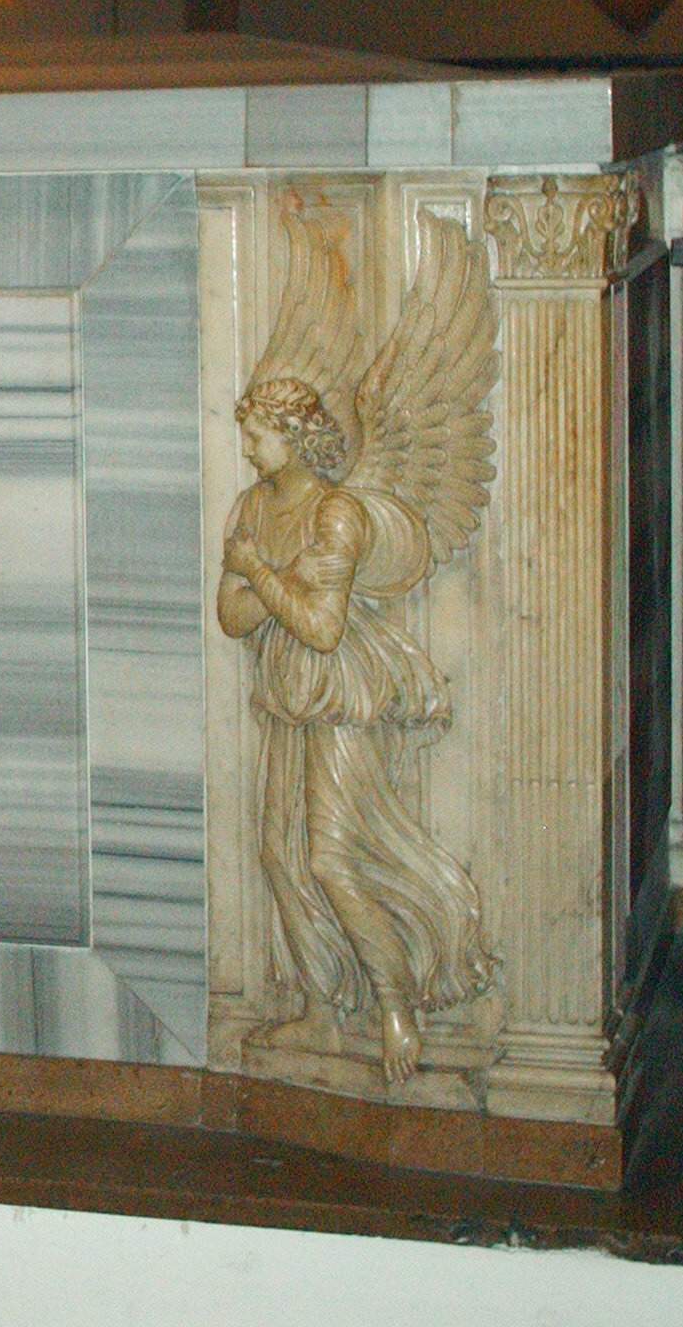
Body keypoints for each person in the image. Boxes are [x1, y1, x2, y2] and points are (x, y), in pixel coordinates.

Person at [219, 377, 496, 1084]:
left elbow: (322, 627)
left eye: (258, 435)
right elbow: (231, 616)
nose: (247, 448)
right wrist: (277, 577)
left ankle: (396, 1004)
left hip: (341, 695)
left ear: (296, 436)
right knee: (279, 855)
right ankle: (320, 1006)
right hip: (285, 693)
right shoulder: (251, 506)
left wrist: (257, 571)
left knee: (331, 860)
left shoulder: (336, 513)